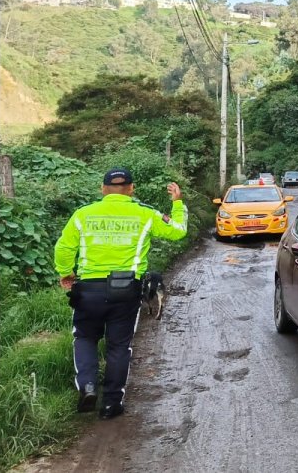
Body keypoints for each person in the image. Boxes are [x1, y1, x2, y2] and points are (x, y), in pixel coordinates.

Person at [54, 167, 187, 419]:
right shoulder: (145, 214)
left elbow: (63, 248)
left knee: (84, 338)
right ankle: (111, 404)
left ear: (102, 189)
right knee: (119, 346)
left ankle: (88, 386)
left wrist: (66, 273)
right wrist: (177, 203)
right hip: (126, 290)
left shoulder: (83, 214)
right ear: (132, 189)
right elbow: (179, 230)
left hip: (88, 290)